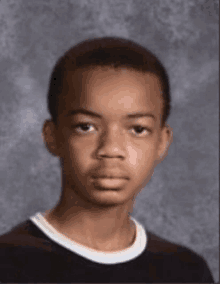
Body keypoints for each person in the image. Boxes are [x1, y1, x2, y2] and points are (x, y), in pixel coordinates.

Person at [0, 37, 214, 283]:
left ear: (162, 143)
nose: (111, 149)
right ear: (53, 136)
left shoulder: (185, 271)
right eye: (86, 127)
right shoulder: (8, 264)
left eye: (138, 129)